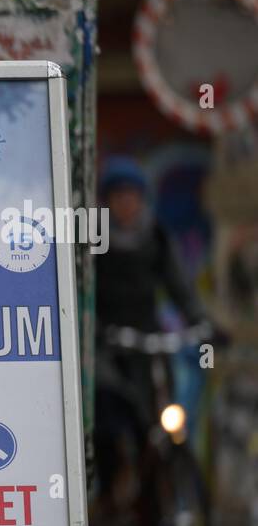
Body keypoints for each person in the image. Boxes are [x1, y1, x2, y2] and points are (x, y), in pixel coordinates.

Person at [93, 157, 208, 491]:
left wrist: (201, 322)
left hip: (149, 343)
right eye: (118, 195)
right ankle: (112, 490)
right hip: (109, 347)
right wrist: (96, 330)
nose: (126, 203)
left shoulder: (155, 236)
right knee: (110, 418)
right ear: (107, 201)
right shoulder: (95, 238)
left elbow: (180, 287)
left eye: (132, 195)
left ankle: (167, 494)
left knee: (166, 416)